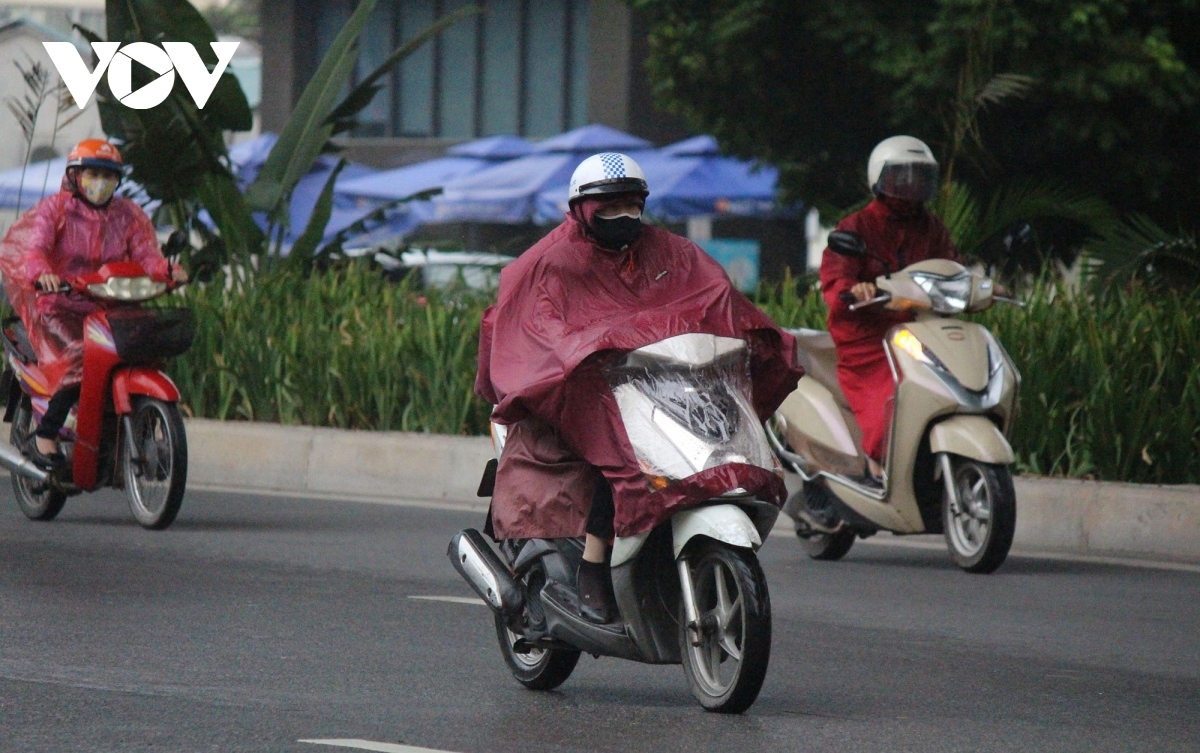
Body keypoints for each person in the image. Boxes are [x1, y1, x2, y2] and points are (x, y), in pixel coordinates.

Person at [476, 152, 801, 624]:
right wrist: (581, 350)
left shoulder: (671, 251)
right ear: (582, 209)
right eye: (608, 208)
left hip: (660, 382)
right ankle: (592, 566)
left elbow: (714, 294)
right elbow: (534, 325)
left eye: (631, 206)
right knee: (626, 459)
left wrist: (749, 335)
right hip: (579, 387)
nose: (622, 217)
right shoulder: (548, 262)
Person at [0, 138, 188, 469]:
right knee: (81, 357)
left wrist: (168, 271)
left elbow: (148, 256)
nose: (100, 182)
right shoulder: (54, 210)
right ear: (75, 175)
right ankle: (46, 434)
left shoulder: (129, 215)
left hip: (114, 308)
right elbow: (35, 250)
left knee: (144, 350)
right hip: (61, 307)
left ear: (118, 181)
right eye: (92, 174)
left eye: (109, 176)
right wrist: (43, 273)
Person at [819, 136, 962, 483]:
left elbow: (952, 267)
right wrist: (855, 290)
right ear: (879, 178)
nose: (911, 185)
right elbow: (836, 277)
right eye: (901, 176)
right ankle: (876, 468)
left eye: (919, 176)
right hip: (868, 341)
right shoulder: (856, 227)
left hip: (921, 334)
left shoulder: (932, 228)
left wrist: (976, 283)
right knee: (893, 408)